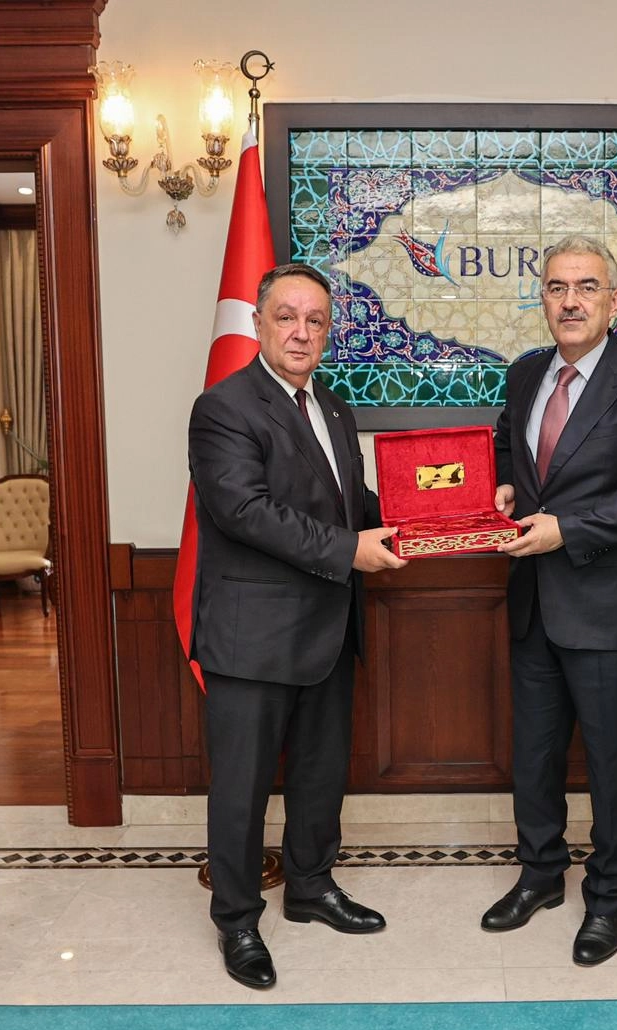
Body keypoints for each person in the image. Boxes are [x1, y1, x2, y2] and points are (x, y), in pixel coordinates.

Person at [187, 263, 407, 990]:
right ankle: (237, 920)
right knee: (242, 788)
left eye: (315, 320)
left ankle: (311, 887)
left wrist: (430, 513)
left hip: (326, 628)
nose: (301, 333)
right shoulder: (223, 407)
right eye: (287, 317)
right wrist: (350, 551)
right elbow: (244, 511)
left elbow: (350, 500)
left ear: (329, 331)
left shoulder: (332, 407)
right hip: (252, 637)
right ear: (258, 324)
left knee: (320, 773)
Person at [485, 235, 617, 966]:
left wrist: (565, 529)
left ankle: (608, 896)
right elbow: (508, 446)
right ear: (542, 298)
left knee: (612, 764)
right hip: (532, 604)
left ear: (613, 300)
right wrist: (503, 485)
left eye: (585, 287)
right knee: (534, 757)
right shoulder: (524, 374)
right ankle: (540, 874)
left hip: (608, 609)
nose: (570, 301)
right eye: (556, 288)